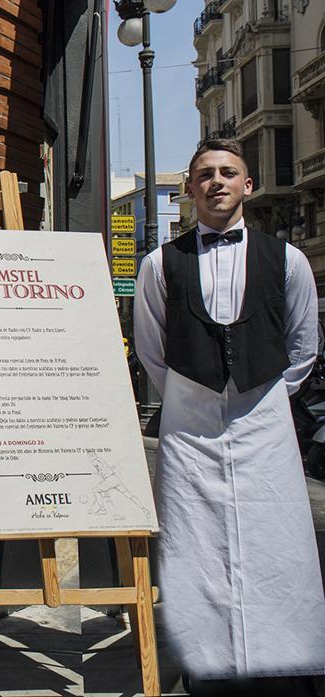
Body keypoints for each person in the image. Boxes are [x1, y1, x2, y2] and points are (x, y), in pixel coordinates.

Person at [133, 138, 325, 694]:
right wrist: (197, 398)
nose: (217, 181)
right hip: (189, 430)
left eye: (228, 172)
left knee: (277, 543)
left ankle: (283, 667)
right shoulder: (157, 264)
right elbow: (151, 349)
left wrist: (259, 400)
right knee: (195, 546)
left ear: (248, 185)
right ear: (190, 189)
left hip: (265, 425)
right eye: (205, 174)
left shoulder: (288, 260)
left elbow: (303, 345)